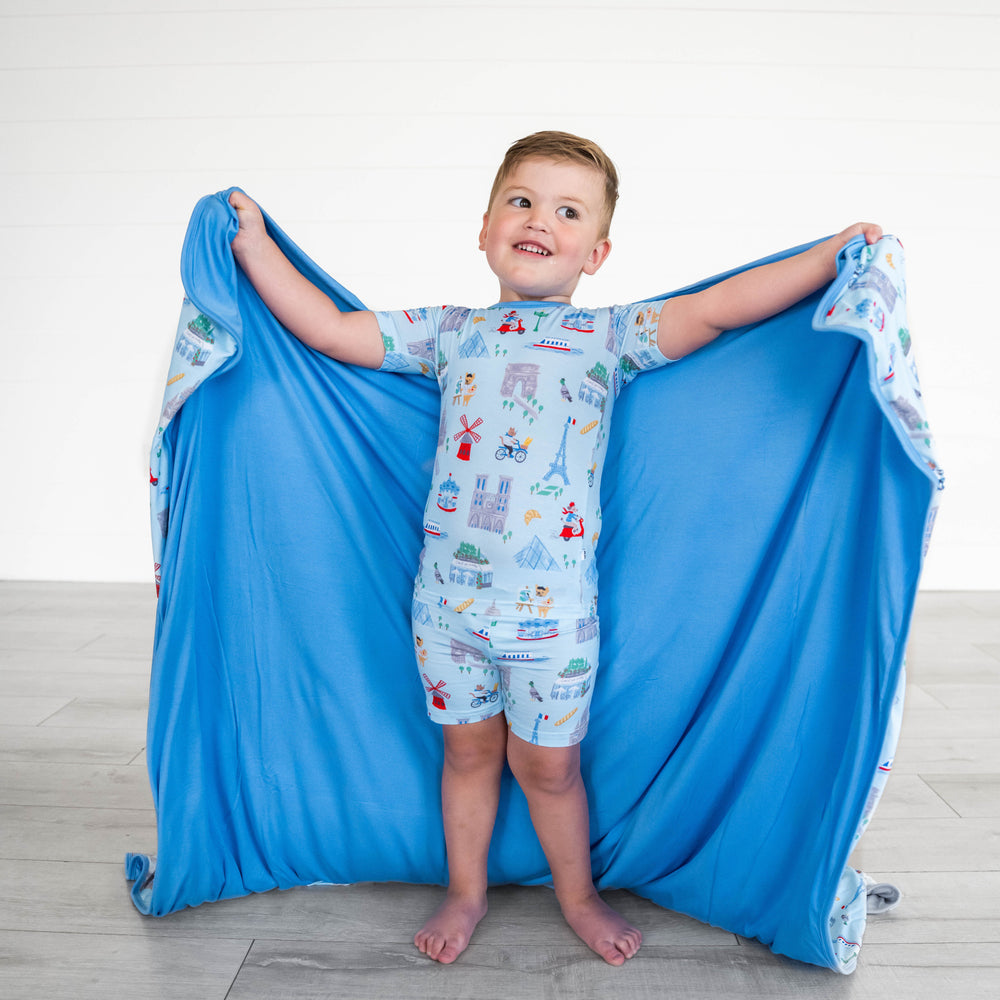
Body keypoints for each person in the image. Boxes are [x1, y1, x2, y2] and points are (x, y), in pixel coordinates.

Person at [228, 130, 881, 967]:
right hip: (446, 610)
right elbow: (326, 331)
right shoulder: (448, 332)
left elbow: (719, 307)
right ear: (486, 227)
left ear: (598, 252)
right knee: (467, 755)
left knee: (550, 770)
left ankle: (578, 896)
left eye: (568, 211)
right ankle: (464, 891)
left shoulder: (610, 337)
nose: (540, 220)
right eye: (522, 201)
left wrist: (829, 256)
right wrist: (251, 244)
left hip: (552, 620)